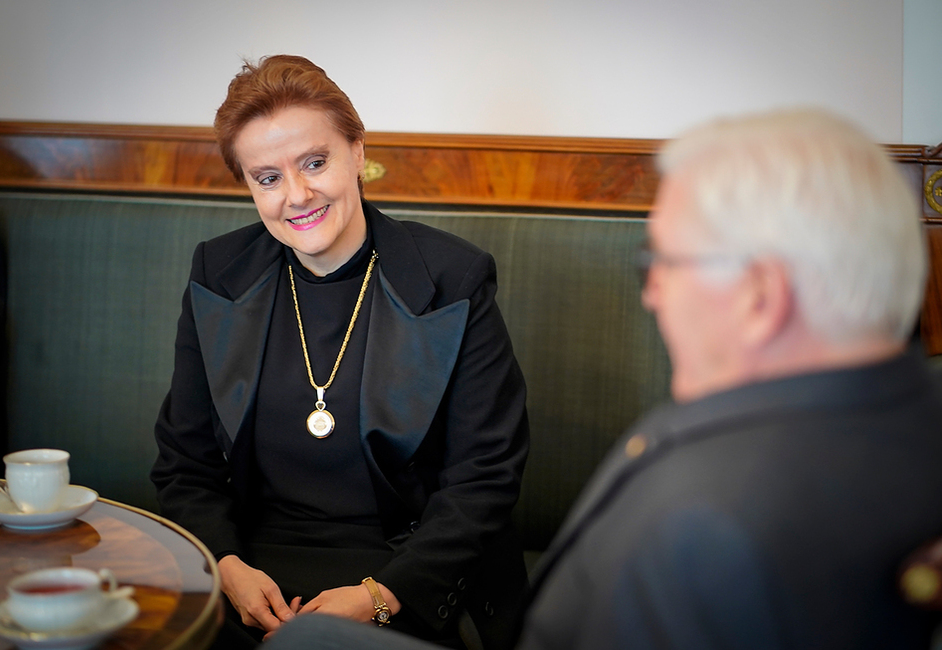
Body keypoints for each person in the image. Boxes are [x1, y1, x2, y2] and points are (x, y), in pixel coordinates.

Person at [262, 108, 942, 649]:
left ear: (758, 296)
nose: (651, 296)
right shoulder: (916, 419)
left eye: (665, 262)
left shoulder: (707, 519)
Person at [150, 55, 529, 649]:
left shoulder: (452, 279)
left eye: (315, 162)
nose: (296, 195)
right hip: (252, 573)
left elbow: (484, 477)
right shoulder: (218, 275)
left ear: (357, 152)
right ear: (249, 186)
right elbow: (185, 463)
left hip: (403, 569)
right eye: (267, 177)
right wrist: (224, 566)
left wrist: (380, 595)